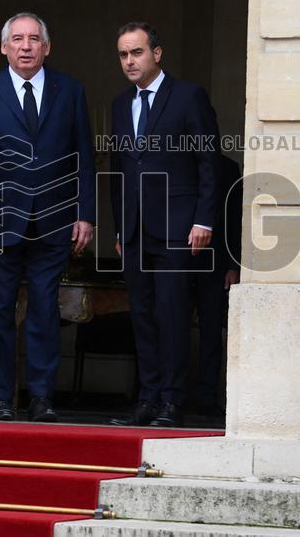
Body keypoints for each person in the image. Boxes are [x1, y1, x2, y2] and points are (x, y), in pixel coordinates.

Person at [0, 12, 95, 423]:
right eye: (17, 39)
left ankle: (42, 397)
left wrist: (86, 214)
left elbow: (84, 157)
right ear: (4, 47)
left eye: (33, 39)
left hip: (54, 219)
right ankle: (0, 399)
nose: (25, 46)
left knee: (45, 308)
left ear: (47, 47)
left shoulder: (70, 91)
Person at [108, 21, 218, 427]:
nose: (130, 61)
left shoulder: (188, 97)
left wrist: (204, 219)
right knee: (142, 315)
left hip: (178, 226)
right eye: (123, 54)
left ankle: (172, 401)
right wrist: (120, 227)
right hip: (135, 231)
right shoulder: (120, 105)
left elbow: (209, 164)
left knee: (172, 315)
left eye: (136, 52)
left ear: (157, 53)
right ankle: (148, 399)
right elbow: (119, 169)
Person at [193, 151, 241, 416]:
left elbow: (235, 217)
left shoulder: (227, 168)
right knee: (163, 326)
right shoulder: (173, 161)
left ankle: (205, 397)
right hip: (174, 261)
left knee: (211, 330)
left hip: (217, 262)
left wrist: (233, 264)